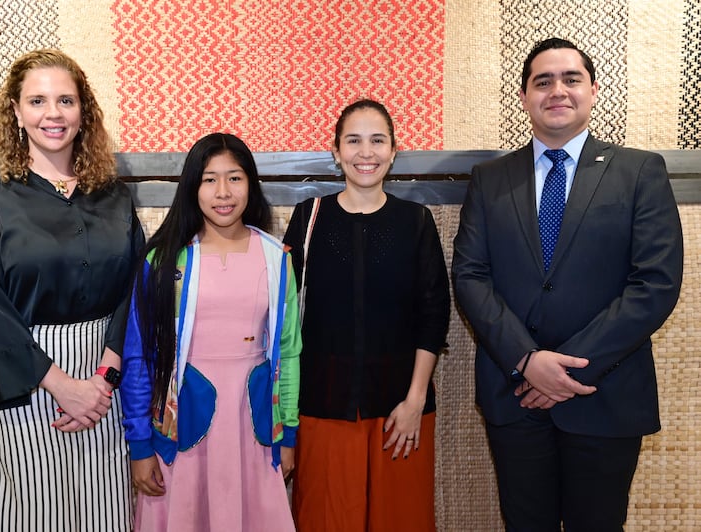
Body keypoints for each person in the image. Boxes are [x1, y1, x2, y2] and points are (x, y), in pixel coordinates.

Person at [452, 37, 684, 531]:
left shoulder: (639, 171)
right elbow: (471, 275)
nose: (557, 90)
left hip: (606, 393)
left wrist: (567, 371)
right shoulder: (490, 178)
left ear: (593, 90)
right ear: (525, 97)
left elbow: (655, 284)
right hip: (514, 393)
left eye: (571, 79)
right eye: (543, 81)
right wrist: (527, 361)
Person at [0, 49, 143, 531]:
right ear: (16, 111)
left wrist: (106, 374)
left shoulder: (114, 195)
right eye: (37, 101)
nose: (52, 114)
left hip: (103, 386)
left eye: (65, 100)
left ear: (84, 112)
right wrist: (60, 384)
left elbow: (134, 287)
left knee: (105, 513)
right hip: (28, 384)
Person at [283, 99, 450, 531]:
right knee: (325, 519)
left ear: (394, 151)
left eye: (378, 141)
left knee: (402, 520)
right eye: (353, 141)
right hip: (322, 407)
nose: (366, 152)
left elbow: (433, 315)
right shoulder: (308, 219)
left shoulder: (416, 221)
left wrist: (415, 401)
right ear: (335, 151)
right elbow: (283, 321)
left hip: (401, 410)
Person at [121, 132, 301, 531]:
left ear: (251, 184)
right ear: (192, 187)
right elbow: (140, 356)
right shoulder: (164, 261)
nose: (223, 192)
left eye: (235, 178)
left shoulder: (276, 258)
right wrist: (139, 444)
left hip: (252, 427)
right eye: (209, 179)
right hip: (181, 426)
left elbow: (287, 353)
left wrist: (288, 434)